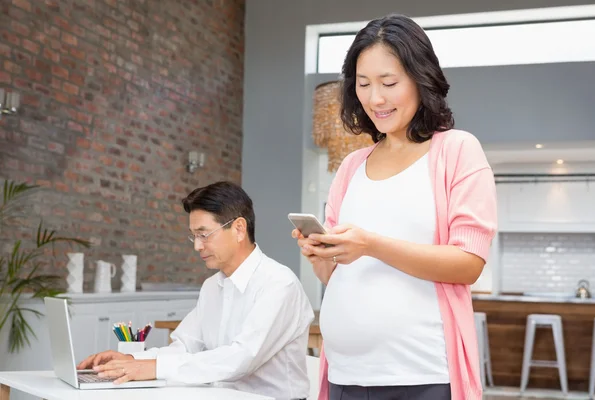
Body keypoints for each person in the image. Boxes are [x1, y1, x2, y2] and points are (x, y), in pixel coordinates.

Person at [292, 14, 497, 400]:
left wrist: (371, 245)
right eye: (364, 84)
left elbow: (469, 263)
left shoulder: (456, 151)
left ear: (421, 80)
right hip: (344, 374)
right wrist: (321, 253)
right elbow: (337, 277)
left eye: (388, 83)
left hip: (421, 374)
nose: (375, 98)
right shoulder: (351, 166)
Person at [79, 181, 314, 400]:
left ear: (239, 229)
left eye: (204, 234)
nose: (197, 245)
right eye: (193, 236)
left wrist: (153, 367)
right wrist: (131, 360)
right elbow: (185, 346)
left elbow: (240, 359)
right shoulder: (212, 286)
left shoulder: (279, 284)